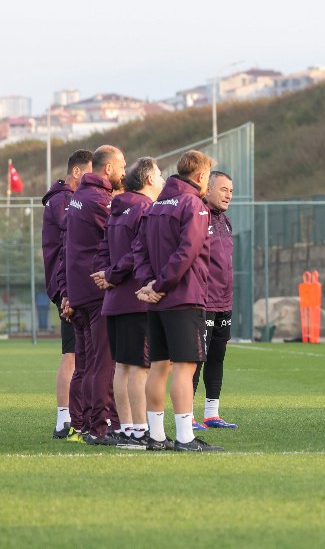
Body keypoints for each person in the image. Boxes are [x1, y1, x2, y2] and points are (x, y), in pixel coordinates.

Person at [133, 150, 223, 451]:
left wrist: (149, 284)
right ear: (200, 176)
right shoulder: (193, 204)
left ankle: (157, 436)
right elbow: (187, 251)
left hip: (157, 301)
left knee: (159, 367)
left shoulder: (155, 205)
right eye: (208, 177)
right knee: (185, 368)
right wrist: (160, 284)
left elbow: (139, 249)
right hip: (184, 298)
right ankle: (185, 437)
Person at [93, 156, 164, 449]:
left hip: (114, 301)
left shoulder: (117, 208)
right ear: (149, 179)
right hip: (136, 298)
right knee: (138, 368)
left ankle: (127, 429)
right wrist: (111, 274)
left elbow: (102, 249)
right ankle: (139, 431)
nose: (163, 180)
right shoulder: (145, 209)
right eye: (159, 174)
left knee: (122, 366)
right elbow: (139, 252)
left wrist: (105, 275)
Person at [65, 145, 126, 446]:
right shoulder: (99, 201)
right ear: (109, 168)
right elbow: (116, 238)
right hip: (96, 290)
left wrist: (67, 292)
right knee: (103, 362)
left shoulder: (79, 196)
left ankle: (89, 424)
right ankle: (101, 427)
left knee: (88, 363)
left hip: (79, 291)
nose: (125, 172)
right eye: (122, 166)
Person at [43, 149, 92, 440]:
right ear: (76, 172)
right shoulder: (64, 200)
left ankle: (77, 415)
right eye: (90, 173)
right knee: (71, 354)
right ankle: (64, 419)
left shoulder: (65, 199)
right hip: (68, 287)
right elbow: (72, 234)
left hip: (71, 284)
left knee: (80, 354)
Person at [193, 171, 238, 429]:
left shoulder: (226, 221)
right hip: (203, 302)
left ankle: (212, 414)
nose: (228, 195)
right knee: (196, 358)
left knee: (217, 357)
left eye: (231, 191)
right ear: (207, 189)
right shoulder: (199, 215)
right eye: (223, 189)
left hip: (224, 301)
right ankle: (187, 415)